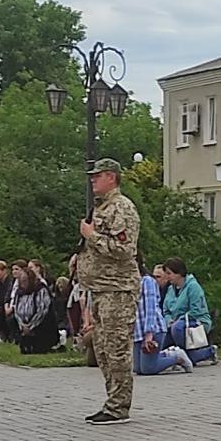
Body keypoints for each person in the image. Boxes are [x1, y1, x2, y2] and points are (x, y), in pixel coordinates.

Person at [76, 158, 141, 423]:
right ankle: (111, 401)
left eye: (98, 175)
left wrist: (92, 236)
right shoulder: (102, 207)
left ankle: (119, 406)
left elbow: (125, 251)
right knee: (102, 349)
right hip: (101, 289)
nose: (93, 180)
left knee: (116, 350)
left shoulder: (121, 208)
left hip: (118, 289)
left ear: (112, 177)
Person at [133, 257, 192, 376]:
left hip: (154, 329)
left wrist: (149, 333)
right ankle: (167, 354)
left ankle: (177, 358)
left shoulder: (147, 281)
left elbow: (150, 308)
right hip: (138, 331)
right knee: (138, 369)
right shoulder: (129, 282)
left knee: (148, 369)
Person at [161, 257, 217, 365]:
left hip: (196, 321)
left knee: (177, 328)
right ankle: (196, 354)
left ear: (179, 273)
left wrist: (179, 320)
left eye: (169, 273)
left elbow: (196, 310)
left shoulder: (193, 287)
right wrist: (168, 320)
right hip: (174, 323)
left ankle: (185, 355)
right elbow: (166, 310)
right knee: (162, 337)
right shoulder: (170, 290)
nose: (167, 277)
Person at [14, 267, 59, 355]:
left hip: (41, 327)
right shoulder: (19, 292)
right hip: (24, 327)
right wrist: (22, 325)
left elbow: (42, 311)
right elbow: (16, 310)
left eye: (25, 281)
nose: (23, 284)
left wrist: (31, 326)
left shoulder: (41, 290)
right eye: (21, 281)